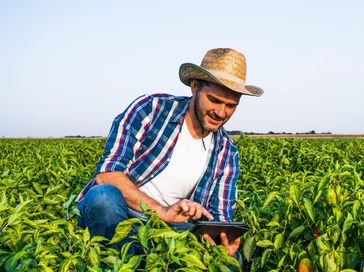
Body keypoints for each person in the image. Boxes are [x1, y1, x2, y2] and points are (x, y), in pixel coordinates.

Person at [76, 48, 263, 258]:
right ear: (194, 87)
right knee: (103, 198)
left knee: (232, 259)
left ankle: (143, 263)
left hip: (171, 232)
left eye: (230, 105)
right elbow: (107, 174)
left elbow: (219, 217)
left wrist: (222, 240)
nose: (221, 112)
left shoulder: (227, 153)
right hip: (121, 216)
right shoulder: (152, 109)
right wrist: (162, 211)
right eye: (213, 100)